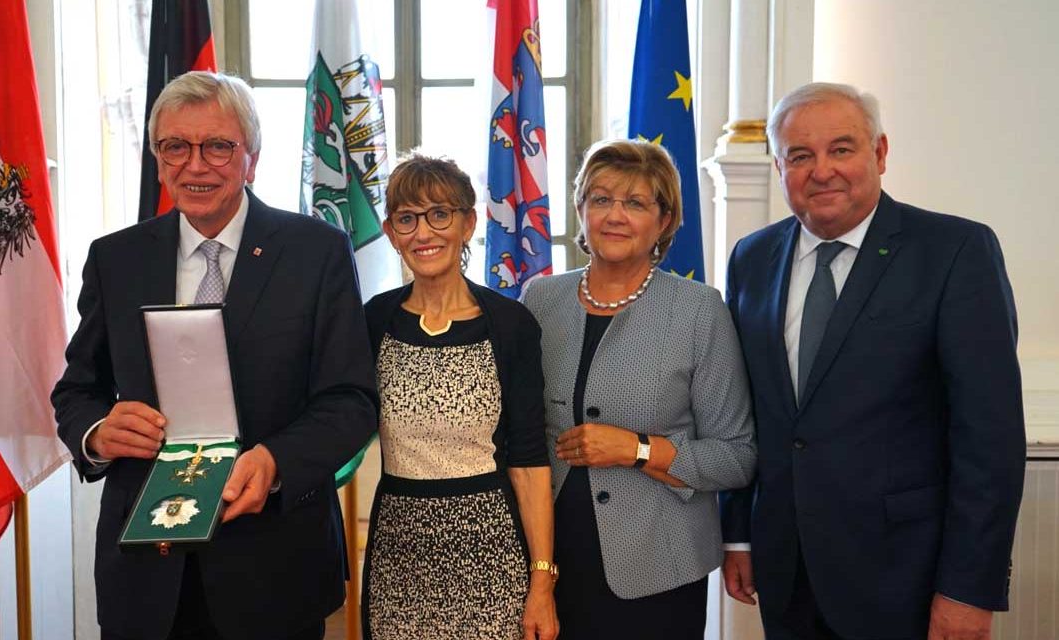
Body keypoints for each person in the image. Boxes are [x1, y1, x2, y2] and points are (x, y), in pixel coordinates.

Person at [52, 71, 378, 640]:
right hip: (146, 576)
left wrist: (275, 462)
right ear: (157, 159)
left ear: (251, 158)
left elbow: (350, 400)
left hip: (275, 567)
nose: (195, 165)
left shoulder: (315, 252)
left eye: (218, 146)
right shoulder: (116, 259)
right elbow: (77, 390)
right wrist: (98, 433)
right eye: (175, 146)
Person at [719, 82, 1026, 640]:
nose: (822, 171)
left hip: (907, 577)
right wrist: (739, 534)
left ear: (880, 153)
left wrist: (968, 588)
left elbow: (990, 439)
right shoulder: (752, 258)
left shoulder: (955, 253)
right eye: (800, 156)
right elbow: (746, 412)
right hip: (787, 570)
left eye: (842, 149)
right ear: (779, 166)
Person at [521, 139, 756, 639]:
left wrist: (637, 449)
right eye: (601, 199)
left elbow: (736, 456)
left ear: (664, 220)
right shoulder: (541, 298)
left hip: (659, 568)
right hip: (549, 561)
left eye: (635, 203)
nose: (615, 216)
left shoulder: (698, 309)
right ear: (581, 209)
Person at [360, 153, 557, 640]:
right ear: (390, 232)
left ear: (468, 224)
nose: (423, 233)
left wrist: (542, 583)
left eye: (439, 214)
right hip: (398, 553)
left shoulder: (510, 325)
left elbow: (530, 461)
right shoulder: (373, 321)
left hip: (491, 552)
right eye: (407, 219)